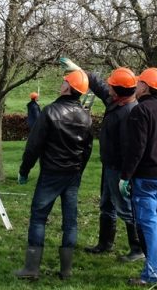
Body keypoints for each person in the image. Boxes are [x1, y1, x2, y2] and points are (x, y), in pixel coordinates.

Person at [59, 58, 145, 262]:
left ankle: (138, 248)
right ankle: (105, 243)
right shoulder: (117, 101)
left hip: (120, 169)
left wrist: (126, 176)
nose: (110, 90)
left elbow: (131, 149)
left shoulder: (130, 113)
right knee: (106, 205)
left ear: (120, 92)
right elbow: (99, 86)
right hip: (109, 165)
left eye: (113, 87)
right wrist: (81, 71)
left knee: (125, 207)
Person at [14, 69, 94, 280]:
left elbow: (33, 146)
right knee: (70, 222)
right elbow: (87, 150)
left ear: (69, 87)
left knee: (39, 218)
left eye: (64, 81)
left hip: (51, 174)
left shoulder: (49, 112)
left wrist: (24, 171)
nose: (61, 83)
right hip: (72, 175)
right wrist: (78, 170)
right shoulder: (86, 116)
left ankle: (31, 268)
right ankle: (66, 270)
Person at [119, 67, 157, 287]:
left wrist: (126, 176)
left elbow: (137, 147)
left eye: (138, 83)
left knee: (149, 224)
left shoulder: (140, 111)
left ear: (144, 86)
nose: (136, 86)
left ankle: (152, 274)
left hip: (145, 177)